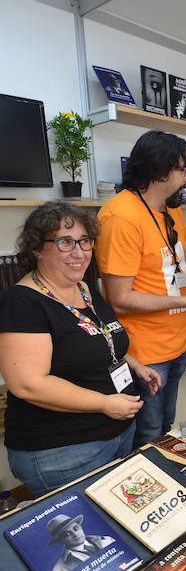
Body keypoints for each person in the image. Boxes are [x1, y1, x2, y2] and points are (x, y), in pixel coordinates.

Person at [0, 201, 159, 497]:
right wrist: (105, 404)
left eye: (85, 241)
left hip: (116, 433)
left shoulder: (82, 288)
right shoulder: (22, 303)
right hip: (63, 450)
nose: (79, 252)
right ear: (37, 248)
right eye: (65, 242)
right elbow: (29, 385)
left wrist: (135, 364)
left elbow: (100, 339)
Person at [95, 130, 186, 447]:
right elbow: (120, 299)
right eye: (183, 170)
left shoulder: (171, 210)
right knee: (147, 438)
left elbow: (175, 267)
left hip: (176, 346)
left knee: (165, 429)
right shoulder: (120, 216)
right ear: (159, 171)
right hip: (143, 356)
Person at [46, 512, 115, 571]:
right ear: (60, 540)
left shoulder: (107, 540)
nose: (75, 534)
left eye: (75, 528)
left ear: (80, 526)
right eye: (67, 534)